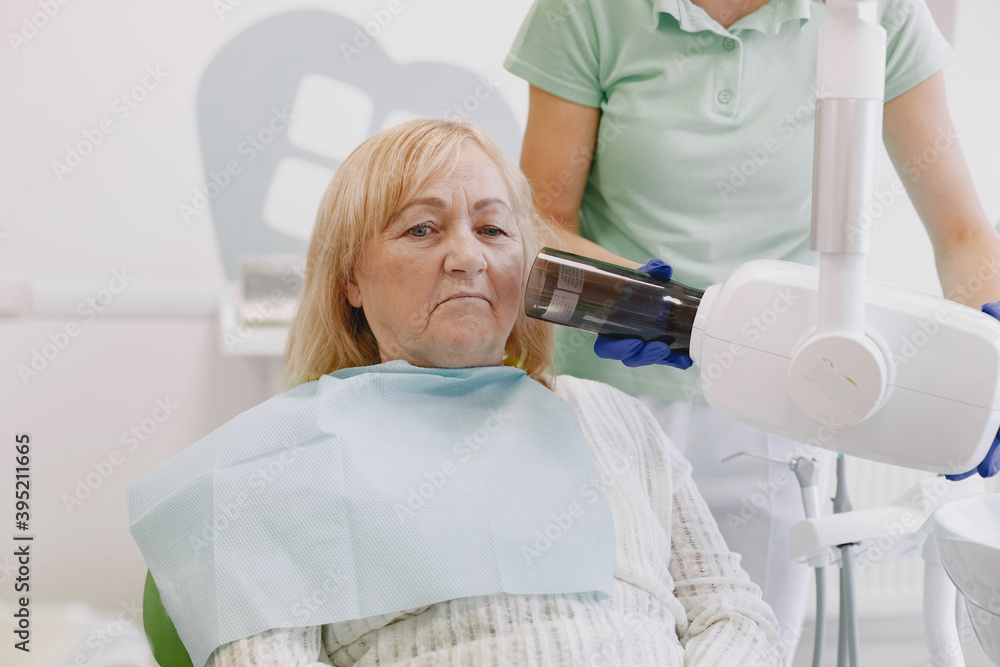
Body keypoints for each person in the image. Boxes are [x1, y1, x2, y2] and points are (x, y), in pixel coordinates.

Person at [127, 119, 786, 667]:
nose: (468, 257)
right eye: (422, 229)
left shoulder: (613, 418)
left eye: (495, 230)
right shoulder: (282, 458)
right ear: (350, 277)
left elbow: (735, 611)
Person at [502, 0, 1000, 661]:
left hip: (783, 402)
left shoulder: (877, 12)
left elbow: (962, 232)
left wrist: (990, 349)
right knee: (603, 640)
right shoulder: (589, 11)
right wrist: (656, 303)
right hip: (614, 398)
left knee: (749, 639)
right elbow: (540, 219)